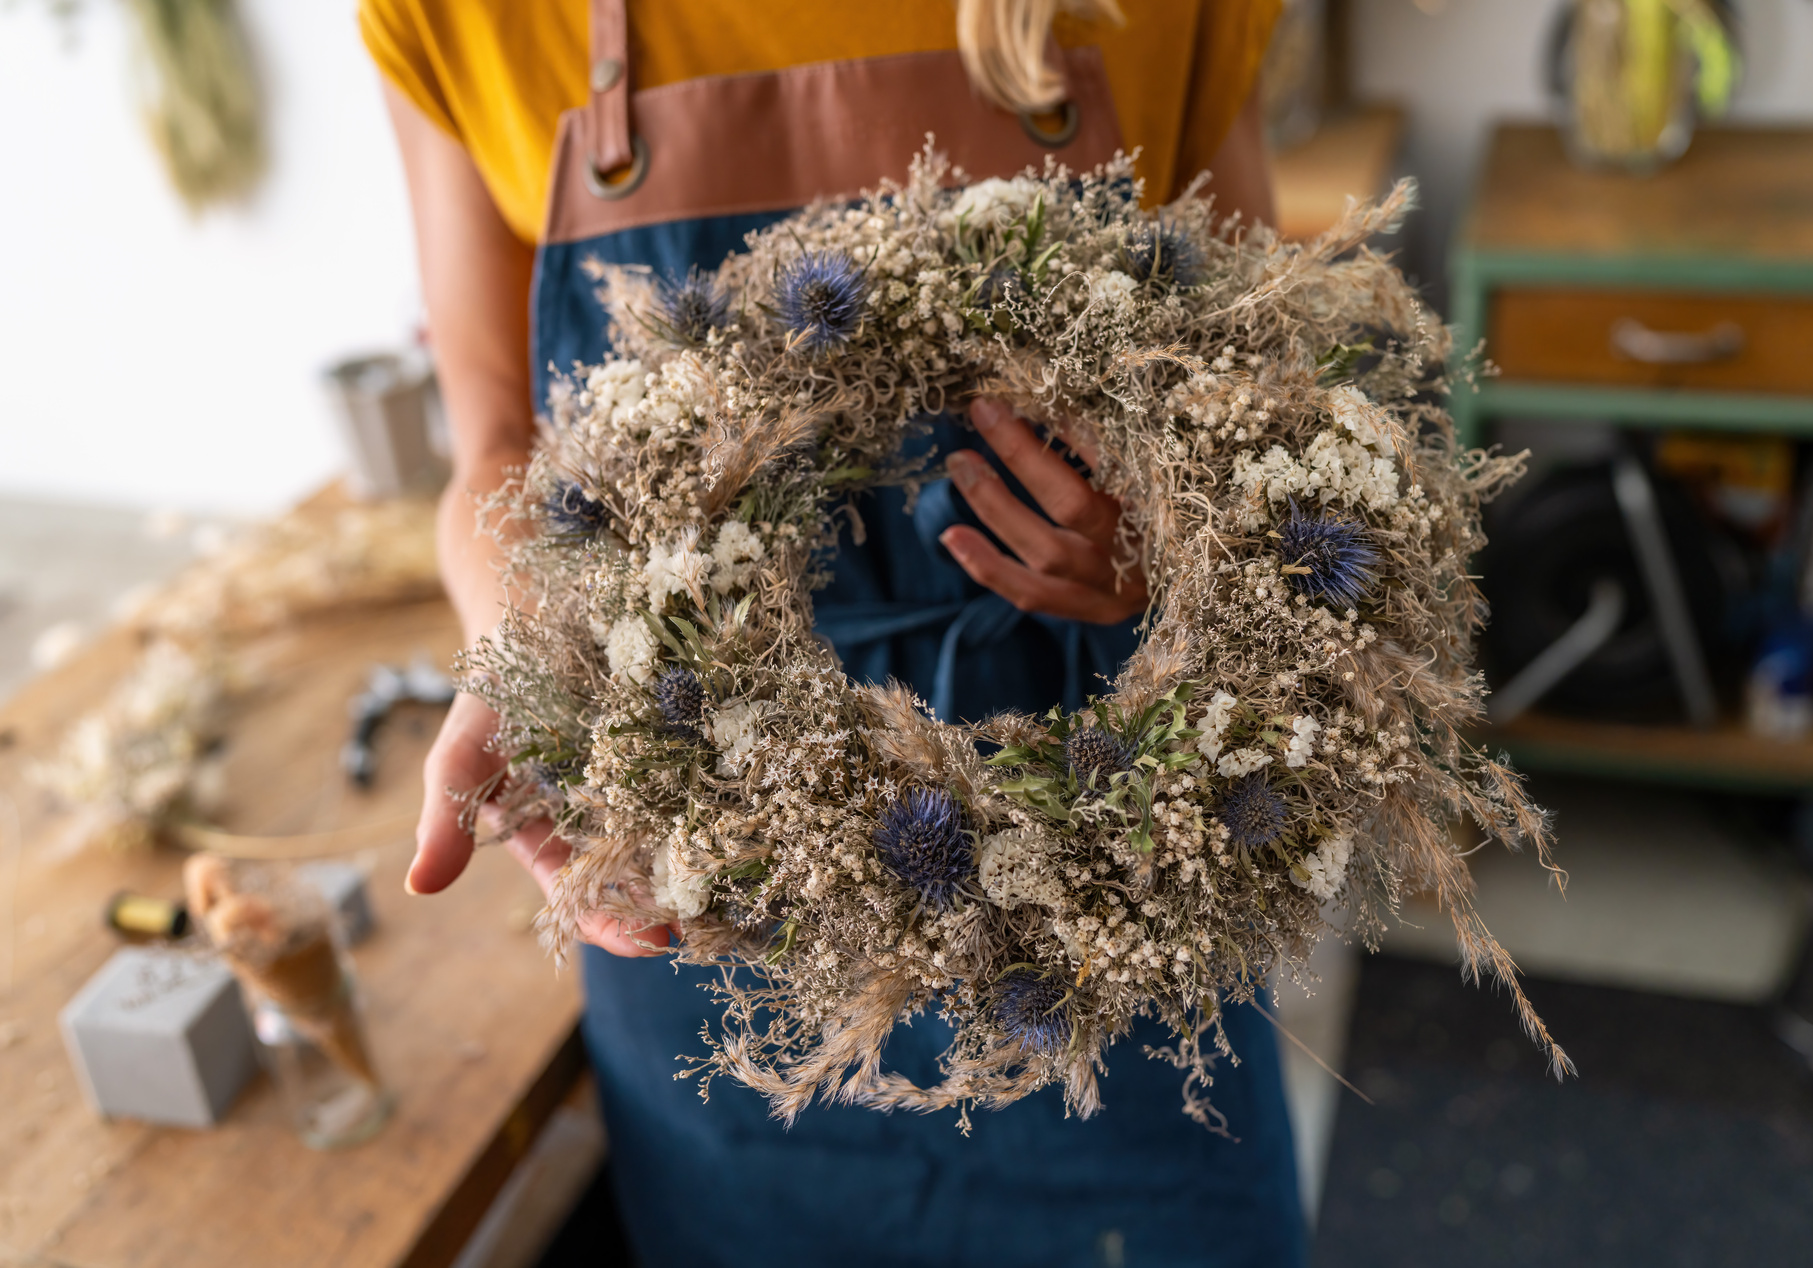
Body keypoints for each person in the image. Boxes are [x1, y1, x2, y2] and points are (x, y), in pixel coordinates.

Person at [363, 1, 1305, 1262]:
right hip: (710, 858)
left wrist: (1173, 540)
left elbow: (1260, 391)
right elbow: (494, 448)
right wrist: (522, 654)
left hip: (1103, 867)